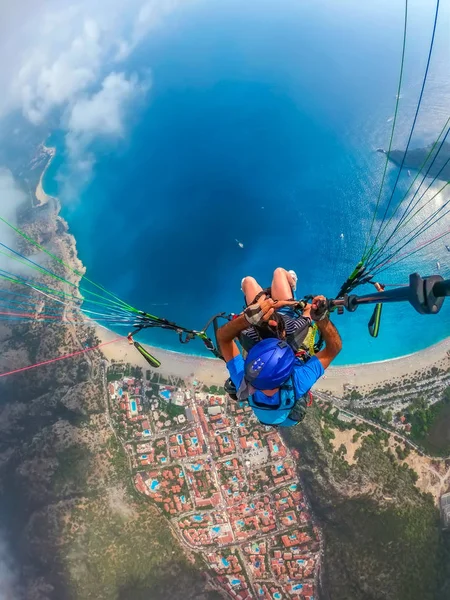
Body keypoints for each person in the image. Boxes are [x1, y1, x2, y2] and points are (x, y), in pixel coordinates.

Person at [217, 272, 342, 427]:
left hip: (277, 414)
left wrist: (246, 318)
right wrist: (248, 319)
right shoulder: (297, 381)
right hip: (279, 416)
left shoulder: (245, 381)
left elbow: (222, 337)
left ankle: (281, 283)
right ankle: (288, 282)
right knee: (267, 276)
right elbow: (333, 347)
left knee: (251, 281)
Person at [239, 268, 312, 350]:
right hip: (282, 311)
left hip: (259, 313)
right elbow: (310, 309)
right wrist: (286, 303)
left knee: (247, 281)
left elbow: (236, 324)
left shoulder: (251, 334)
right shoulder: (292, 327)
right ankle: (292, 283)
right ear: (284, 333)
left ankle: (265, 295)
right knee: (279, 271)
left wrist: (260, 304)